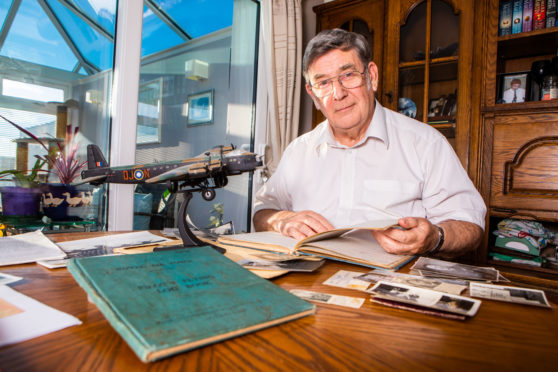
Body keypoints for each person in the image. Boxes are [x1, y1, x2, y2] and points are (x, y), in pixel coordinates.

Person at [253, 29, 486, 258]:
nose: (338, 93)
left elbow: (470, 224)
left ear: (371, 77)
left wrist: (435, 237)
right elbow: (262, 210)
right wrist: (280, 220)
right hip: (312, 282)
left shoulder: (426, 143)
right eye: (323, 83)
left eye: (348, 75)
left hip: (394, 285)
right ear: (313, 95)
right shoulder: (298, 151)